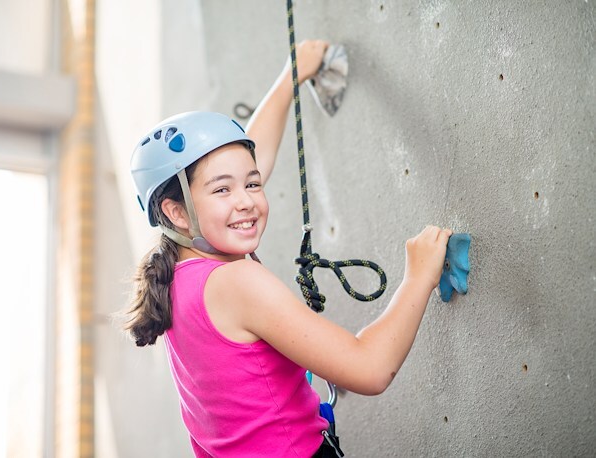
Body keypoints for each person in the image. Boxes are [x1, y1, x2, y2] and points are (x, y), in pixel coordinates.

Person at [127, 40, 452, 458]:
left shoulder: (175, 276)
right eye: (222, 190)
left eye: (252, 183)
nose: (245, 200)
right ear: (177, 213)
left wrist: (290, 78)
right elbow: (371, 369)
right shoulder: (236, 281)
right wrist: (418, 277)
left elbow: (245, 161)